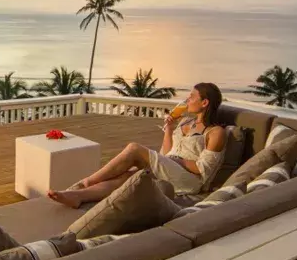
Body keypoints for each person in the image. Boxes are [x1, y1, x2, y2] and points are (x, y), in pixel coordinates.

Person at [48, 82, 227, 209]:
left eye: (191, 97)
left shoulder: (214, 132)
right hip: (171, 168)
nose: (187, 101)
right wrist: (169, 129)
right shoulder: (185, 122)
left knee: (134, 149)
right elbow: (166, 152)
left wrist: (176, 160)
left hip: (189, 181)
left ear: (204, 102)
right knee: (127, 177)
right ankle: (78, 197)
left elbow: (203, 170)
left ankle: (85, 183)